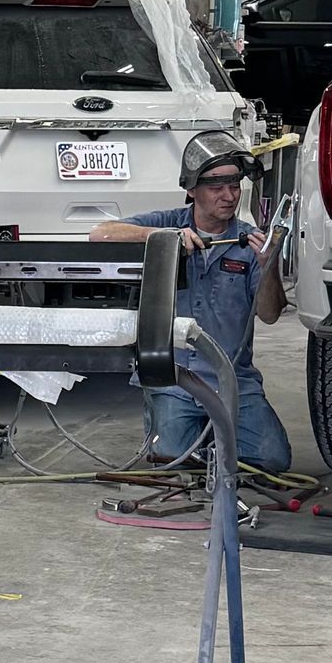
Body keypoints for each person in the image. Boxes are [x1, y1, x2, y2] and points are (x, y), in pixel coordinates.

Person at [90, 130, 292, 472]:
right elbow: (100, 234)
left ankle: (214, 437)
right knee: (170, 463)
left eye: (234, 185)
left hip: (232, 379)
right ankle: (204, 439)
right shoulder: (168, 224)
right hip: (173, 379)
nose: (228, 196)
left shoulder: (249, 240)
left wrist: (268, 267)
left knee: (272, 460)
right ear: (191, 190)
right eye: (216, 187)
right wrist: (164, 239)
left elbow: (271, 315)